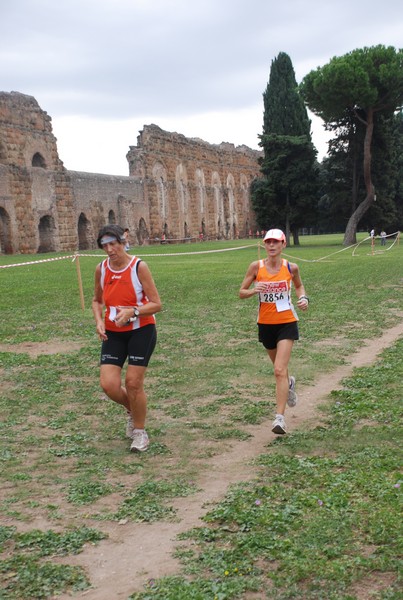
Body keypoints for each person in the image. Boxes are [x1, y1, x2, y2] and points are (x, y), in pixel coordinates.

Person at [92, 224, 162, 452]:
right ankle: (133, 409)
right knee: (109, 385)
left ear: (123, 242)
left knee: (133, 383)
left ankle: (140, 432)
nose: (110, 249)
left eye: (113, 244)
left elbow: (156, 304)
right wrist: (99, 321)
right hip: (113, 332)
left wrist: (132, 312)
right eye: (105, 245)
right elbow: (97, 300)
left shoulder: (138, 266)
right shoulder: (101, 269)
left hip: (141, 330)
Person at [239, 228, 309, 435]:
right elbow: (241, 292)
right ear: (264, 245)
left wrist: (303, 298)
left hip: (287, 322)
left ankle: (279, 418)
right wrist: (253, 290)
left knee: (279, 369)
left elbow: (299, 286)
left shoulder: (291, 267)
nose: (271, 245)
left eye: (275, 242)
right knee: (281, 370)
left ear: (283, 245)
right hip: (266, 324)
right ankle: (289, 383)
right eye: (268, 242)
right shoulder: (256, 267)